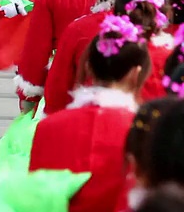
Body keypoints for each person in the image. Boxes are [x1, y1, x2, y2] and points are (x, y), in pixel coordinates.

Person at [29, 14, 150, 211]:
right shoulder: (146, 132)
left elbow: (36, 199)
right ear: (136, 74)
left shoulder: (47, 128)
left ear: (88, 67)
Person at [43, 0, 134, 115]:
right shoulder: (143, 31)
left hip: (81, 120)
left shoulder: (77, 29)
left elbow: (57, 86)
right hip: (132, 126)